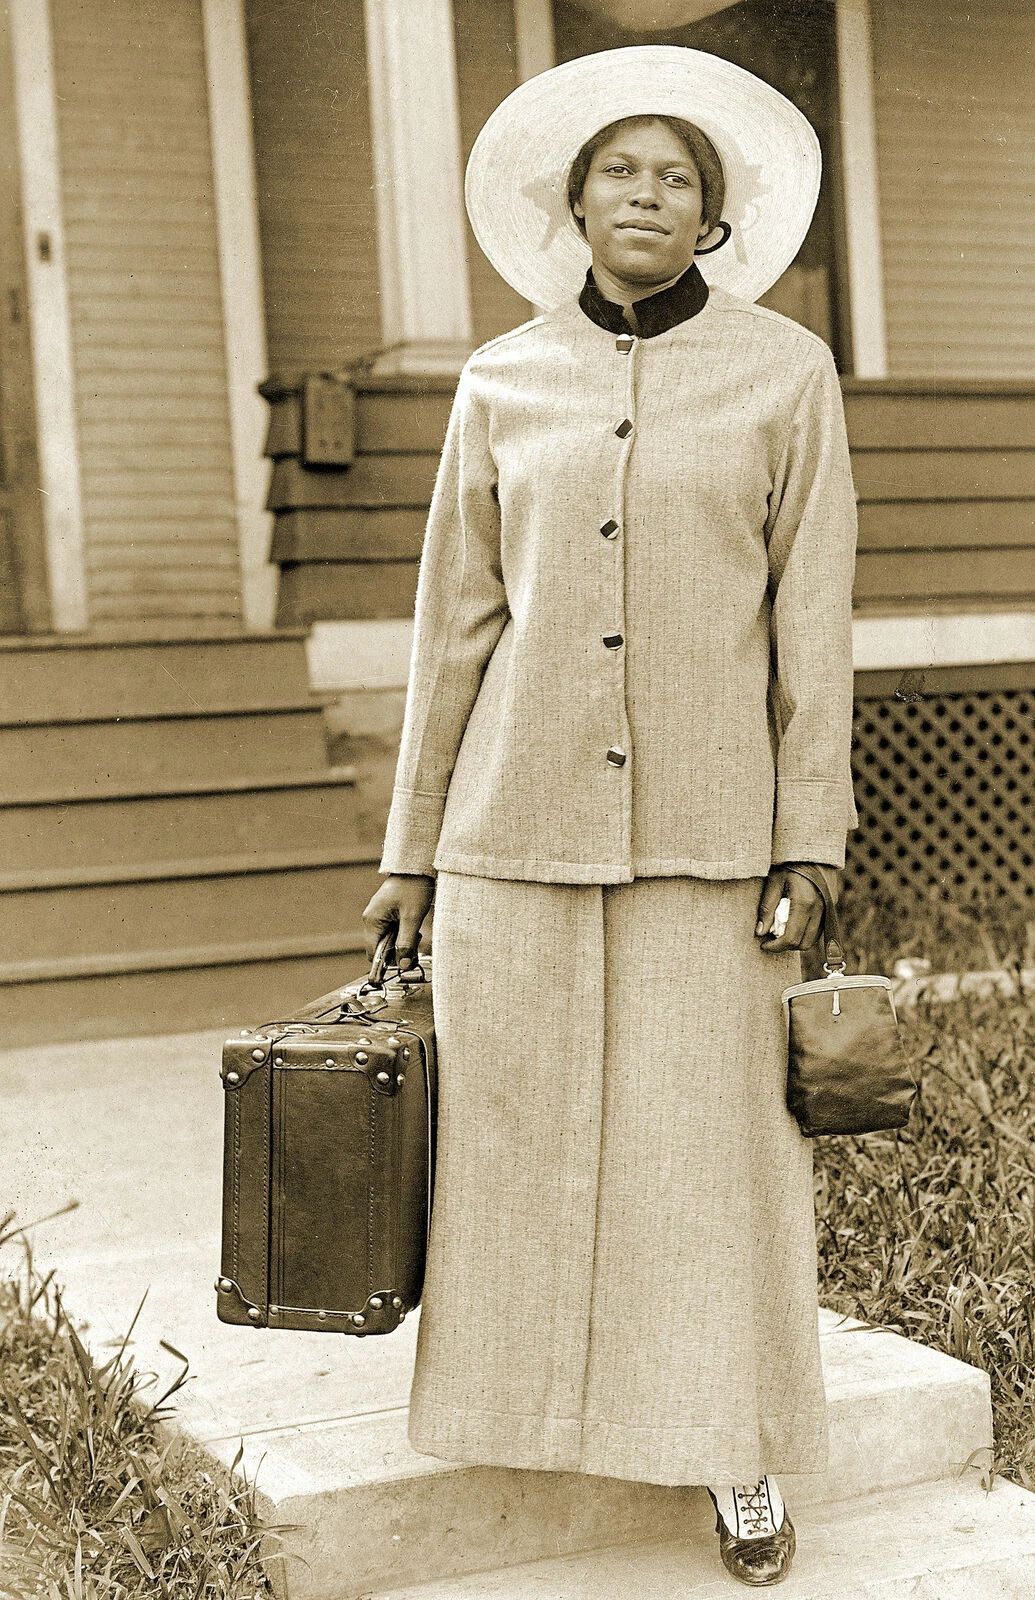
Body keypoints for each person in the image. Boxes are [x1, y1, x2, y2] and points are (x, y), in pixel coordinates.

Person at [361, 44, 859, 1588]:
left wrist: (811, 839)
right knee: (512, 1143)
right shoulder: (500, 381)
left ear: (715, 220)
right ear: (571, 202)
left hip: (716, 839)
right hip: (513, 830)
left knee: (711, 1159)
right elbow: (456, 623)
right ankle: (524, 1417)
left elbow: (813, 620)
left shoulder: (785, 375)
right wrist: (409, 851)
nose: (649, 196)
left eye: (680, 179)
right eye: (622, 172)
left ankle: (733, 1456)